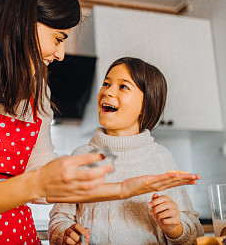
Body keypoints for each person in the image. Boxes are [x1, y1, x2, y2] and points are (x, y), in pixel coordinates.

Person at [0, 0, 199, 244]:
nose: (60, 54)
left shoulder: (37, 93)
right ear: (22, 23)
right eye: (59, 38)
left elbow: (50, 183)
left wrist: (125, 189)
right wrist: (37, 183)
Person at [48, 57, 204, 245]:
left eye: (123, 87)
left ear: (145, 105)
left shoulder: (161, 159)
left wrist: (175, 227)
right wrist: (66, 232)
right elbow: (59, 218)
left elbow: (193, 228)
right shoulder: (82, 157)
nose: (107, 91)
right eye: (106, 83)